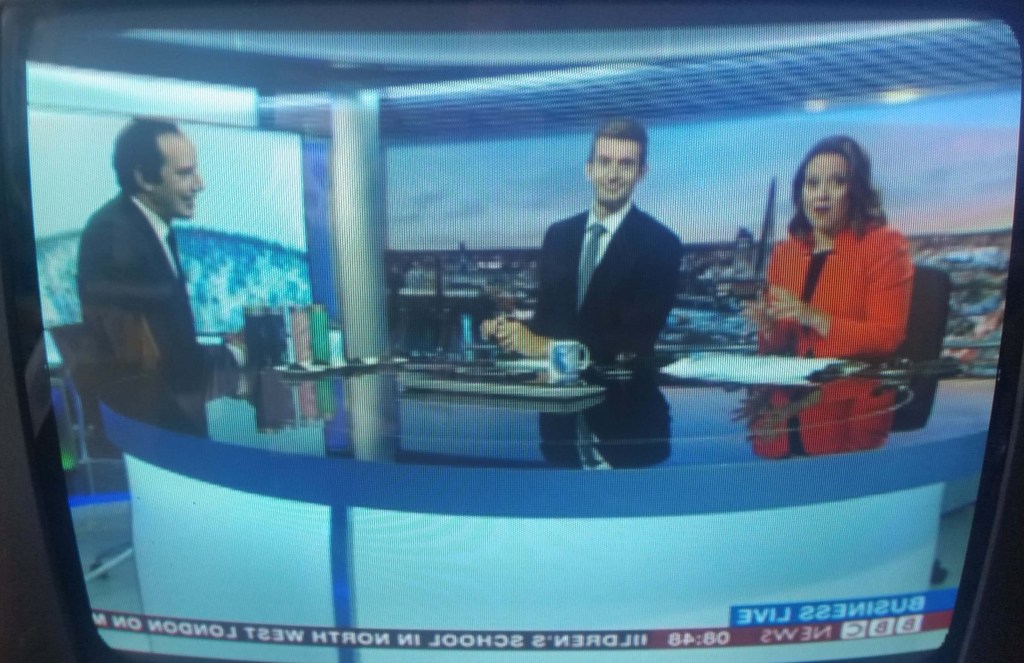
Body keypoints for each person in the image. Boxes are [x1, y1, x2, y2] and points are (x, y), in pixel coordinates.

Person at [481, 118, 683, 364]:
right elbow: (547, 324)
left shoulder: (662, 244)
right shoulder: (558, 235)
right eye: (604, 162)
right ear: (589, 169)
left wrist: (545, 347)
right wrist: (511, 332)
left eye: (626, 164)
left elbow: (633, 341)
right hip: (556, 385)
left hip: (621, 385)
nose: (612, 175)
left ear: (641, 173)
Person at [76, 118, 234, 398]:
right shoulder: (115, 237)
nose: (200, 184)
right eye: (185, 173)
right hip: (148, 415)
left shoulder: (148, 225)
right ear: (144, 178)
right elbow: (168, 359)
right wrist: (235, 353)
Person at [747, 136, 914, 359]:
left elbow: (886, 338)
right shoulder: (785, 254)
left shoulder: (884, 246)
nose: (821, 195)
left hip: (856, 378)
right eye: (812, 184)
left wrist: (815, 317)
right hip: (798, 378)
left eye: (837, 182)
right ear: (801, 192)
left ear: (856, 192)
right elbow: (783, 343)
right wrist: (769, 328)